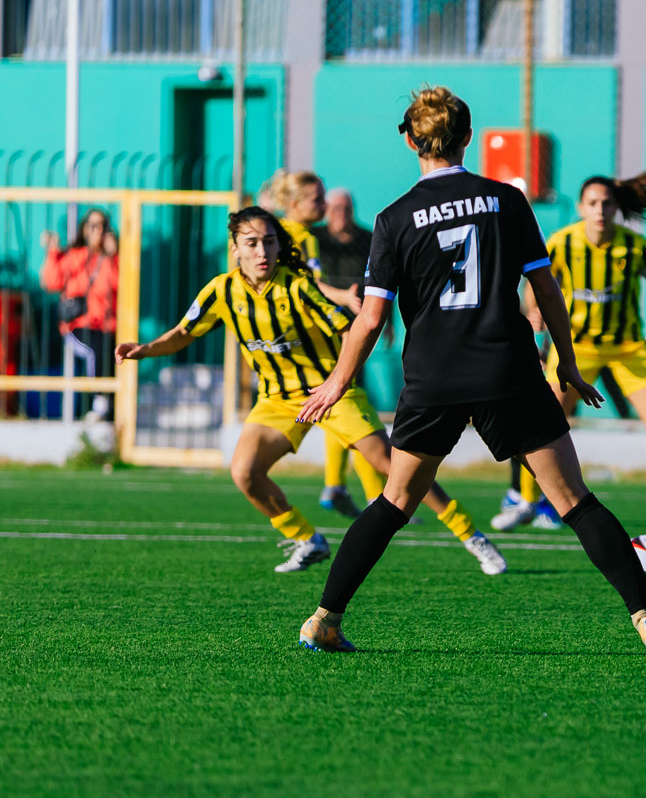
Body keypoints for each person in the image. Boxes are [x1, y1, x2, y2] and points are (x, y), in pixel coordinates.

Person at [294, 84, 646, 658]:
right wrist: (568, 363)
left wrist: (337, 382)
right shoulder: (506, 200)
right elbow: (546, 289)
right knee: (574, 501)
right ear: (468, 137)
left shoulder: (393, 218)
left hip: (433, 378)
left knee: (394, 503)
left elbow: (371, 318)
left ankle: (324, 619)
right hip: (508, 371)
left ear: (410, 142)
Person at [114, 206, 507, 577]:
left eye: (269, 241)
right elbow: (183, 333)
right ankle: (306, 539)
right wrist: (145, 349)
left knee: (393, 465)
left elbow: (348, 329)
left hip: (330, 393)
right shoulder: (221, 291)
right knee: (245, 472)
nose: (262, 251)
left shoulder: (298, 287)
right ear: (235, 249)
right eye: (252, 243)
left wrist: (339, 380)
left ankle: (470, 533)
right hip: (276, 400)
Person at [493, 173, 646, 541]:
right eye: (593, 203)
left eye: (607, 203)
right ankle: (526, 501)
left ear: (616, 208)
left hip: (629, 348)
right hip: (575, 348)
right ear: (581, 207)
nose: (600, 210)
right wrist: (532, 311)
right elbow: (536, 282)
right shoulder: (561, 243)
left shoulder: (637, 246)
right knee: (542, 422)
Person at [268, 171, 374, 518]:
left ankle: (339, 487)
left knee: (342, 407)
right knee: (355, 414)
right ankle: (380, 498)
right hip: (305, 339)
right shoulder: (289, 236)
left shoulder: (303, 235)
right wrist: (342, 296)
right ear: (295, 203)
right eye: (318, 199)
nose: (324, 205)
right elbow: (304, 285)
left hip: (312, 333)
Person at [40, 208, 120, 421]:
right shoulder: (75, 256)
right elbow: (51, 282)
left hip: (107, 326)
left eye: (102, 226)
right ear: (85, 229)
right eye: (93, 226)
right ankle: (100, 401)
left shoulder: (112, 258)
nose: (98, 231)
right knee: (97, 348)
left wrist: (112, 256)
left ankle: (112, 408)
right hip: (79, 325)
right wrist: (53, 251)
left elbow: (118, 284)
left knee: (114, 351)